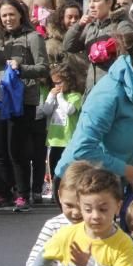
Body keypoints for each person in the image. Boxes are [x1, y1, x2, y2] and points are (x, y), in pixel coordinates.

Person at [55, 31, 133, 188]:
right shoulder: (109, 93)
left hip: (105, 185)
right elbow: (82, 149)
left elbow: (122, 133)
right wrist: (125, 170)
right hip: (76, 185)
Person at [0, 0, 49, 212]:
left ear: (20, 15)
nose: (8, 19)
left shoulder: (33, 37)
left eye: (11, 14)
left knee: (17, 149)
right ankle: (3, 193)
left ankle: (22, 194)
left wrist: (22, 68)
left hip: (23, 98)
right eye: (3, 15)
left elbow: (43, 68)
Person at [62, 0, 133, 87]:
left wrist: (109, 47)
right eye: (89, 1)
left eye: (96, 1)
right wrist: (79, 25)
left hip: (112, 87)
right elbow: (68, 46)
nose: (91, 5)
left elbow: (132, 45)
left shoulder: (120, 24)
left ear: (109, 2)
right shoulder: (90, 27)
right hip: (91, 88)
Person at [41, 57, 86, 189]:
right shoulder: (54, 95)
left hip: (69, 140)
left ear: (68, 81)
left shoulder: (75, 96)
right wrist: (50, 96)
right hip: (55, 139)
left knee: (69, 169)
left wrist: (59, 97)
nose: (56, 86)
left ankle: (69, 189)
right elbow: (46, 110)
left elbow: (69, 110)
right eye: (54, 83)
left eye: (59, 83)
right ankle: (56, 189)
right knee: (55, 166)